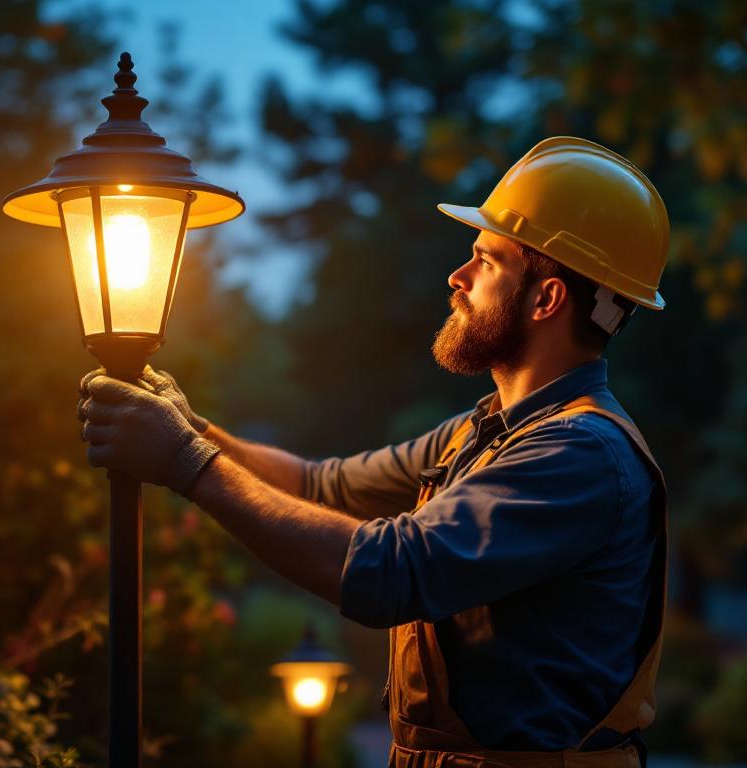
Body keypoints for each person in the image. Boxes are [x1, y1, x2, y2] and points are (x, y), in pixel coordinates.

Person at [77, 136, 670, 768]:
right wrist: (194, 428)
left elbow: (393, 571)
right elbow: (318, 487)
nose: (457, 276)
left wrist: (184, 461)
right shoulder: (482, 435)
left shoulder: (579, 454)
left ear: (546, 298)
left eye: (485, 260)